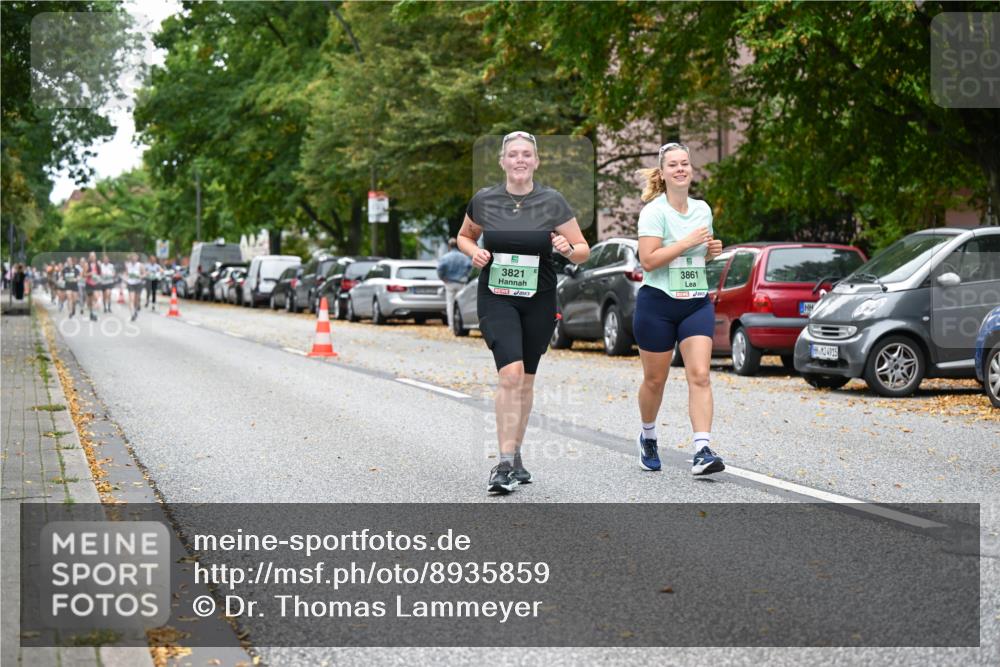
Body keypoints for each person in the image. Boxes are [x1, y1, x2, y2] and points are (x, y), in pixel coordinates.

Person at [457, 131, 590, 494]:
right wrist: (474, 252)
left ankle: (515, 455)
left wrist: (567, 249)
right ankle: (502, 465)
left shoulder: (552, 201)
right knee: (511, 374)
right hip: (497, 297)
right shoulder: (485, 199)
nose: (519, 160)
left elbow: (583, 249)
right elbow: (464, 236)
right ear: (502, 161)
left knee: (526, 380)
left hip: (539, 299)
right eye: (513, 154)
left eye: (526, 154)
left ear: (536, 161)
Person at [633, 142, 725, 476]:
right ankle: (647, 436)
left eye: (685, 163)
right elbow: (648, 260)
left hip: (695, 303)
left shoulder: (702, 209)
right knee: (655, 380)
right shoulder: (654, 212)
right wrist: (686, 242)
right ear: (662, 173)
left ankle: (702, 449)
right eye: (673, 165)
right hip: (657, 304)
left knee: (699, 374)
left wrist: (711, 251)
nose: (680, 169)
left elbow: (700, 256)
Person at [437, 237, 473, 330]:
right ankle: (460, 324)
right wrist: (466, 275)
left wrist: (443, 278)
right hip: (461, 283)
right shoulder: (464, 257)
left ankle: (451, 325)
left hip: (449, 283)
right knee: (461, 303)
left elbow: (440, 269)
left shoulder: (445, 257)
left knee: (450, 304)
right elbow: (470, 266)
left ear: (449, 246)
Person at [124, 254, 145, 321]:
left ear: (137, 258)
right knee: (131, 299)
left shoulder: (140, 265)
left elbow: (144, 274)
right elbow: (126, 273)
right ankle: (132, 314)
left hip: (138, 283)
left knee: (136, 300)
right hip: (130, 283)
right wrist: (125, 278)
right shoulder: (128, 265)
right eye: (132, 258)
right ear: (131, 259)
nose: (133, 259)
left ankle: (135, 311)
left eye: (135, 258)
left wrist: (140, 276)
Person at [83, 251, 101, 321]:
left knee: (96, 297)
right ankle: (91, 313)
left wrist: (98, 277)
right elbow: (84, 275)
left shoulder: (98, 264)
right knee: (90, 301)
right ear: (89, 257)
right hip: (89, 284)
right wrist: (90, 273)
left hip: (96, 283)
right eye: (91, 256)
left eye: (94, 256)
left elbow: (100, 274)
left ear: (95, 257)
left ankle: (94, 313)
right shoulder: (87, 264)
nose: (93, 258)